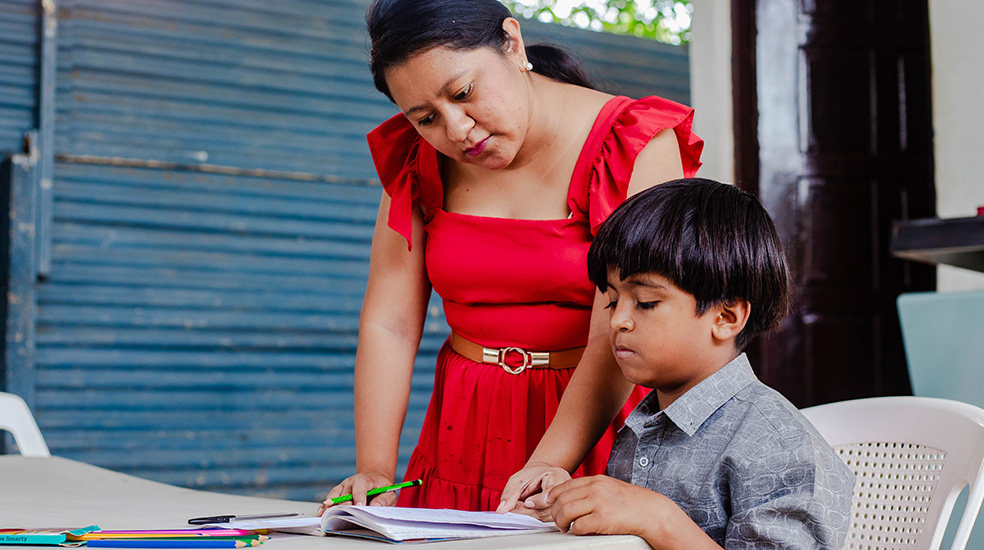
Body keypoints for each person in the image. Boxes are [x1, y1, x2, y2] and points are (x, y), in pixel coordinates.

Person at [321, 0, 703, 512]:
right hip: (463, 428)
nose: (456, 130)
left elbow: (619, 327)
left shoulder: (632, 145)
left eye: (463, 93)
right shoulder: (418, 162)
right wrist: (373, 468)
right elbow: (390, 322)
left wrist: (548, 463)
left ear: (512, 42)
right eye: (426, 117)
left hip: (596, 427)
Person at [499, 178, 855, 549]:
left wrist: (659, 519)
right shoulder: (644, 425)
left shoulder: (777, 446)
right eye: (611, 300)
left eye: (646, 303)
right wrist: (563, 504)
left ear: (726, 317)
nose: (618, 320)